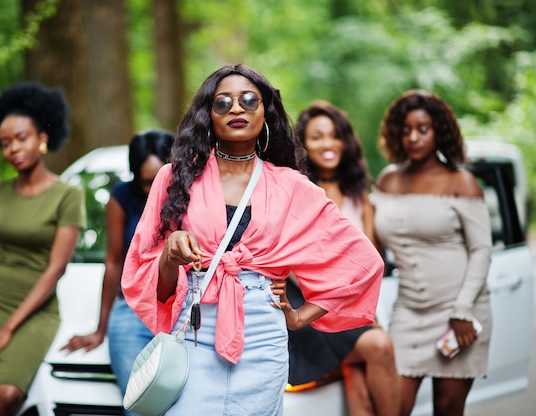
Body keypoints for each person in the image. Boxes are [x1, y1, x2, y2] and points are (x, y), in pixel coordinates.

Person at [120, 64, 385, 415]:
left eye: (249, 100)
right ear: (207, 115)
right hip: (197, 324)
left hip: (264, 331)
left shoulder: (291, 186)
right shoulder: (176, 176)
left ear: (265, 111)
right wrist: (169, 254)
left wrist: (300, 317)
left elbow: (363, 264)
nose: (236, 108)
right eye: (222, 102)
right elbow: (158, 289)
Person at [371, 90, 492, 416]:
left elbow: (481, 249)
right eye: (406, 129)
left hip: (459, 314)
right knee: (393, 407)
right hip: (409, 312)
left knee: (447, 409)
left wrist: (463, 309)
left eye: (422, 128)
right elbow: (370, 247)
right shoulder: (387, 180)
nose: (413, 137)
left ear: (439, 130)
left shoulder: (461, 182)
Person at [0, 82, 86, 416]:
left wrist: (9, 329)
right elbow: (3, 252)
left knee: (6, 396)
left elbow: (56, 268)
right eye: (5, 143)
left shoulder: (67, 195)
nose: (13, 149)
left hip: (37, 310)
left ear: (42, 139)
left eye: (21, 138)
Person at [284, 100, 399, 416]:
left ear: (345, 141)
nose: (327, 144)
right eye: (316, 136)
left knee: (359, 378)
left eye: (334, 135)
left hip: (359, 307)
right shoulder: (298, 191)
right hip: (312, 308)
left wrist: (366, 308)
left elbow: (373, 259)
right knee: (379, 347)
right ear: (303, 144)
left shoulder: (359, 194)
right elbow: (294, 262)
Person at [61, 129, 174, 415]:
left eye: (158, 180)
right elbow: (113, 262)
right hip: (131, 310)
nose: (151, 190)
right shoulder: (123, 195)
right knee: (140, 403)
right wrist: (101, 329)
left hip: (178, 310)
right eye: (145, 181)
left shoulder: (191, 195)